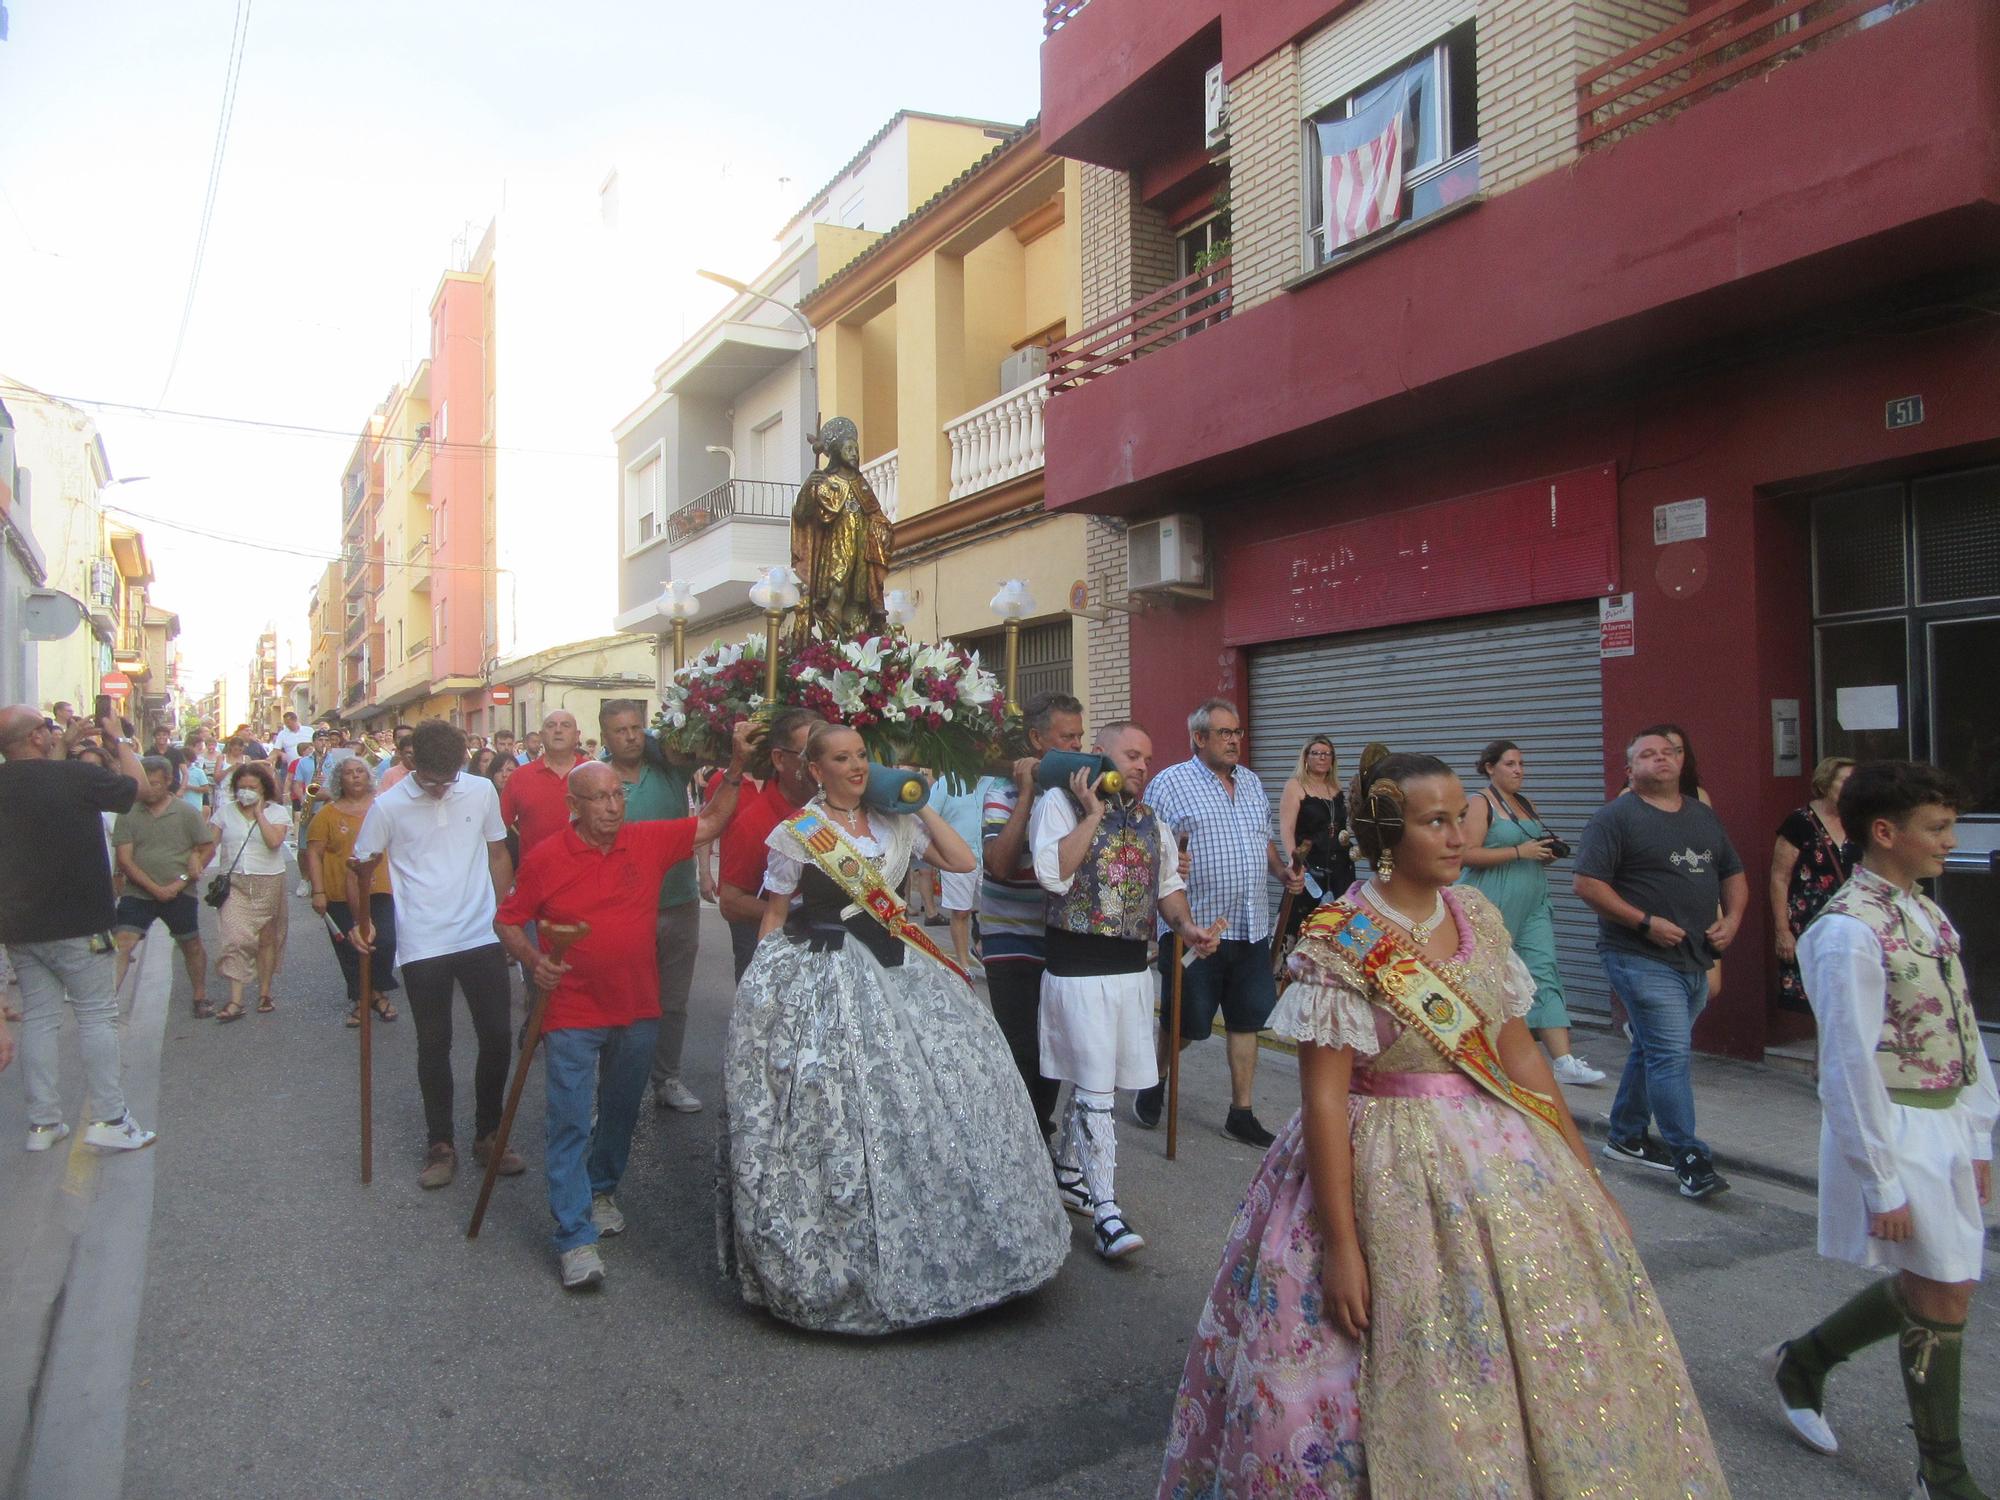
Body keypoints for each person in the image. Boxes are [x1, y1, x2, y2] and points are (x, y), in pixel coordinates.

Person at [1159, 752, 1728, 1498]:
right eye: (1438, 822)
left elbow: (1519, 1054)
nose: (1461, 835)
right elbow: (1325, 1100)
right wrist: (1341, 1247)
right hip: (1376, 1161)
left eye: (1461, 817)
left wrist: (1588, 1179)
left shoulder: (1480, 917)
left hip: (1500, 1158)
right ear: (1390, 837)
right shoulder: (1341, 935)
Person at [718, 723, 1068, 1333]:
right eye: (842, 759)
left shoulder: (894, 822)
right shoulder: (799, 833)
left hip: (903, 967)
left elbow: (961, 861)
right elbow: (773, 914)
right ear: (815, 769)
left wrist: (919, 804)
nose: (856, 767)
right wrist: (758, 1001)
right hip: (827, 975)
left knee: (946, 1094)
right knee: (839, 1109)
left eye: (862, 756)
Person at [1763, 761, 1993, 1499]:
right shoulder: (1847, 932)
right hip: (1896, 1128)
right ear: (1884, 832)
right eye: (1938, 828)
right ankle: (1943, 1472)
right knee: (1944, 1291)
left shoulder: (1923, 910)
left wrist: (1982, 1135)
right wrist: (1880, 1177)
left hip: (1946, 1120)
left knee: (1940, 1281)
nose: (1950, 842)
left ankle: (1806, 1358)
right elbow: (1848, 1067)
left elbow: (1964, 1030)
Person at [496, 734, 750, 1290]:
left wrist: (733, 767)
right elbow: (508, 919)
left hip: (637, 1008)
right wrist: (534, 960)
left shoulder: (646, 841)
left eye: (618, 796)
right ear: (573, 806)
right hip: (571, 1012)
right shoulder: (546, 859)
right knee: (567, 1121)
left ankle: (602, 1188)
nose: (612, 806)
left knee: (619, 1111)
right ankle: (574, 1238)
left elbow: (709, 825)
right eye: (599, 798)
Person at [1032, 721, 1220, 1258]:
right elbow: (1053, 875)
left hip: (1132, 971)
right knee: (1094, 1088)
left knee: (1102, 1083)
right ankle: (1107, 1210)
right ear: (1100, 755)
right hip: (1077, 969)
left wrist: (1187, 929)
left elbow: (1168, 890)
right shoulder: (1058, 806)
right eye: (1132, 754)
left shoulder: (1152, 821)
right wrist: (1092, 814)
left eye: (1147, 757)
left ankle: (1069, 1172)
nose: (1141, 765)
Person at [1575, 727, 1747, 1200]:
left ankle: (1626, 1135)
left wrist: (1732, 920)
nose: (1661, 760)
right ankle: (1690, 1157)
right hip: (1638, 956)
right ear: (1630, 770)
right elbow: (1588, 885)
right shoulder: (1615, 818)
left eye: (1668, 752)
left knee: (1652, 1048)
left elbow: (1732, 872)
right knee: (1671, 1054)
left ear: (1681, 761)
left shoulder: (1702, 817)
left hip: (1694, 956)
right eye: (1647, 755)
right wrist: (1644, 922)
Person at [350, 718, 520, 1190]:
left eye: (450, 778)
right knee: (434, 1043)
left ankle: (489, 1133)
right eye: (432, 780)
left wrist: (502, 912)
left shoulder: (482, 791)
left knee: (497, 1037)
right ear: (409, 762)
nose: (442, 788)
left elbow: (499, 853)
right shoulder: (387, 806)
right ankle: (440, 1143)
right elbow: (361, 867)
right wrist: (361, 920)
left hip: (480, 933)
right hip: (422, 940)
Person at [1136, 699, 1302, 1147]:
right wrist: (1174, 864)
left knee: (1247, 1021)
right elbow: (1151, 849)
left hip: (1250, 925)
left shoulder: (1250, 782)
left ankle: (1241, 1112)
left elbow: (1261, 840)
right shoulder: (1170, 784)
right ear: (1199, 738)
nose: (1234, 741)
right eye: (1224, 733)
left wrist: (1280, 871)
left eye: (1237, 733)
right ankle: (1155, 1079)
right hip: (1196, 929)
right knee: (1187, 1022)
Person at [0, 705, 159, 1152]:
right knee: (97, 1016)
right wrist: (118, 739)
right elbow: (140, 788)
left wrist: (63, 744)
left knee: (41, 1019)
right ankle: (110, 1118)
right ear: (35, 737)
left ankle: (43, 1124)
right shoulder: (76, 779)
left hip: (21, 926)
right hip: (79, 922)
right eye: (47, 729)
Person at [1460, 739, 1605, 1087]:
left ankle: (1564, 1061)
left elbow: (1530, 847)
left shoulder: (1525, 804)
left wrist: (1543, 853)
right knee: (1488, 977)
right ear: (1490, 767)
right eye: (1510, 764)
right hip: (1491, 900)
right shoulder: (1480, 802)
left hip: (1533, 898)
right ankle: (1482, 1054)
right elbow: (1466, 854)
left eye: (1521, 764)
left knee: (1544, 969)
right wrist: (1518, 852)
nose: (1518, 770)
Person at [981, 690, 1086, 1137]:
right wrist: (1027, 794)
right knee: (1021, 1047)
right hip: (1010, 942)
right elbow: (1000, 866)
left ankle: (1040, 1130)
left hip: (1058, 939)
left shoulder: (1080, 794)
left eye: (1081, 737)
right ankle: (1020, 1136)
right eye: (1067, 737)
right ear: (1037, 739)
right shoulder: (1000, 792)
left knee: (1053, 1049)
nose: (1077, 747)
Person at [599, 699, 704, 1113]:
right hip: (624, 908)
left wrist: (661, 740)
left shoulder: (668, 769)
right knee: (618, 1002)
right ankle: (609, 1091)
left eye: (637, 728)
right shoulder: (598, 779)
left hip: (679, 900)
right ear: (605, 737)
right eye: (620, 731)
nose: (631, 737)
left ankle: (667, 1080)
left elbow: (699, 751)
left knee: (673, 1001)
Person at [713, 708, 819, 981]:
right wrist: (796, 914)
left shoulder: (838, 812)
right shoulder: (753, 822)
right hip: (770, 954)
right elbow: (731, 903)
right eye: (809, 755)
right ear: (780, 759)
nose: (821, 764)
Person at [111, 757, 215, 1016]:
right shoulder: (128, 812)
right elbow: (124, 859)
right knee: (123, 941)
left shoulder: (186, 812)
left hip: (180, 891)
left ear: (168, 781)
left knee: (190, 943)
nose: (148, 789)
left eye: (154, 783)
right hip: (138, 892)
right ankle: (107, 1003)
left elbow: (206, 848)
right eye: (144, 783)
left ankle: (199, 996)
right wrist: (155, 888)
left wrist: (179, 883)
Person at [305, 756, 399, 1026]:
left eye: (360, 771)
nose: (356, 776)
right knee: (350, 948)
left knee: (384, 941)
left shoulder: (384, 808)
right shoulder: (327, 815)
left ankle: (377, 990)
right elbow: (314, 854)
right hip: (338, 892)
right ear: (340, 780)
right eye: (349, 773)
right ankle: (363, 999)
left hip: (380, 888)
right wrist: (318, 892)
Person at [1771, 755, 1858, 1012]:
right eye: (1844, 781)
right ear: (1825, 783)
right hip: (1811, 925)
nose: (1850, 788)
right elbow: (1779, 877)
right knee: (1823, 1005)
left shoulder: (1858, 821)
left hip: (1853, 923)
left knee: (1853, 1001)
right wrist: (1782, 930)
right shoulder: (1800, 822)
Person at [207, 761, 291, 1022]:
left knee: (266, 939)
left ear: (263, 788)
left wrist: (259, 814)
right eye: (241, 787)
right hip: (234, 882)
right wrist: (194, 866)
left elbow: (274, 842)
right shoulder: (224, 812)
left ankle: (264, 992)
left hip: (269, 881)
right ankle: (235, 999)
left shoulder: (277, 813)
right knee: (235, 938)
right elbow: (209, 845)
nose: (245, 792)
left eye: (251, 787)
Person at [1275, 734, 1355, 960]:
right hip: (1310, 869)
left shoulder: (1335, 788)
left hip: (1339, 869)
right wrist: (1294, 861)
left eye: (1327, 754)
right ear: (1306, 758)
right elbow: (1287, 828)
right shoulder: (1295, 786)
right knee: (1297, 924)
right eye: (1316, 753)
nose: (1322, 758)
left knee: (1339, 924)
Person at [501, 709, 585, 862]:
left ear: (577, 735)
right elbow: (497, 836)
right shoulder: (519, 777)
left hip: (588, 876)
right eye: (551, 726)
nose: (558, 730)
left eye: (565, 725)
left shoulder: (594, 774)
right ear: (541, 735)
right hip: (535, 878)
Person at [924, 773, 986, 974]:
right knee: (960, 911)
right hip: (957, 858)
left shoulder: (994, 781)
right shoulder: (945, 783)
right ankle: (963, 964)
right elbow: (929, 816)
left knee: (994, 911)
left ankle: (980, 949)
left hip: (990, 855)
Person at [179, 730, 212, 816]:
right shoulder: (178, 767)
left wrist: (189, 787)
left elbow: (205, 787)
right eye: (198, 747)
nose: (201, 749)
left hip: (196, 804)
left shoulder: (199, 765)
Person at [375, 724, 415, 789]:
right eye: (400, 738)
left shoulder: (423, 765)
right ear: (394, 740)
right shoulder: (384, 765)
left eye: (408, 737)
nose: (404, 740)